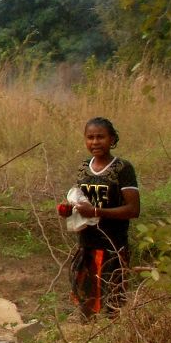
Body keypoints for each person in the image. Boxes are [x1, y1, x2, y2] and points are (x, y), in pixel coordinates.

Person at [67, 116, 141, 318]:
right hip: (87, 245)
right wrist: (69, 210)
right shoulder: (84, 167)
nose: (95, 142)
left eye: (100, 137)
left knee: (113, 302)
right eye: (90, 137)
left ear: (112, 139)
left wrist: (97, 212)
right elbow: (82, 201)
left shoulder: (122, 169)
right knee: (86, 303)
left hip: (113, 245)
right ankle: (87, 340)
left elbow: (133, 209)